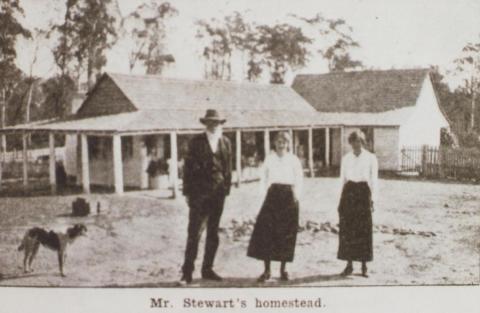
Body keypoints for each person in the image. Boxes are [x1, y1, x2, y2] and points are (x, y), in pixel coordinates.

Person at [180, 109, 232, 284]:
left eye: (216, 122)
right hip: (199, 195)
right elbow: (187, 169)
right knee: (194, 233)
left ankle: (207, 269)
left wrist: (226, 189)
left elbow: (228, 168)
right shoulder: (196, 142)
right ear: (205, 124)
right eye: (210, 122)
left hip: (218, 195)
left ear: (220, 124)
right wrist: (187, 192)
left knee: (213, 233)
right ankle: (187, 273)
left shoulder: (225, 142)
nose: (213, 125)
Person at [247, 131, 303, 282]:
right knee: (267, 233)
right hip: (272, 197)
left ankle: (283, 270)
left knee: (286, 233)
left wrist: (296, 197)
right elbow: (263, 178)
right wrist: (263, 196)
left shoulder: (294, 160)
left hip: (288, 197)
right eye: (278, 141)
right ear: (274, 143)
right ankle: (267, 270)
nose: (281, 144)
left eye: (284, 141)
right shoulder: (269, 159)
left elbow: (299, 180)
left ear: (288, 144)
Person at [337, 130, 378, 277]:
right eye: (353, 141)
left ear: (363, 142)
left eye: (359, 141)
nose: (356, 144)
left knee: (363, 230)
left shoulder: (370, 158)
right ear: (350, 143)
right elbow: (342, 179)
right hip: (349, 193)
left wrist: (373, 199)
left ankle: (364, 266)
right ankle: (349, 265)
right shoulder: (346, 158)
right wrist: (340, 200)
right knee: (348, 230)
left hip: (363, 193)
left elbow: (374, 181)